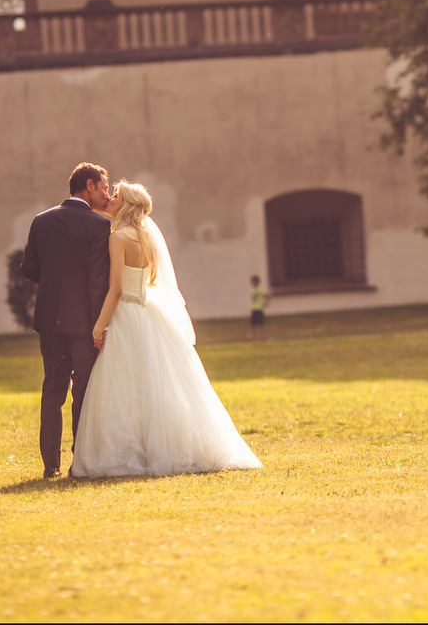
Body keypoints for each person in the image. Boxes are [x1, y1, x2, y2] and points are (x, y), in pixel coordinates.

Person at [70, 180, 262, 478]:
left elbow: (117, 290)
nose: (109, 198)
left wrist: (98, 327)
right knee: (160, 383)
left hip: (126, 315)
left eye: (116, 196)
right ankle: (168, 446)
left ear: (126, 205)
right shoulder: (146, 236)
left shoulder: (119, 237)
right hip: (149, 314)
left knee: (125, 385)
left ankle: (131, 451)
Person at [20, 161, 113, 480]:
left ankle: (50, 464)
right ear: (88, 186)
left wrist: (54, 281)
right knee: (83, 392)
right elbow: (98, 281)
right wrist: (99, 324)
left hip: (49, 320)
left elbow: (28, 269)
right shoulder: (98, 226)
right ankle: (80, 461)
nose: (106, 193)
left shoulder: (41, 220)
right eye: (103, 187)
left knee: (52, 390)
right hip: (83, 323)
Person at [248, 274, 269, 340]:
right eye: (252, 282)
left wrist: (265, 303)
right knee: (252, 324)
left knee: (262, 323)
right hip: (253, 308)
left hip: (259, 308)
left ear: (257, 282)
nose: (252, 283)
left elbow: (267, 296)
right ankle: (252, 336)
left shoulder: (261, 290)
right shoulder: (252, 290)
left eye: (254, 282)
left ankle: (264, 336)